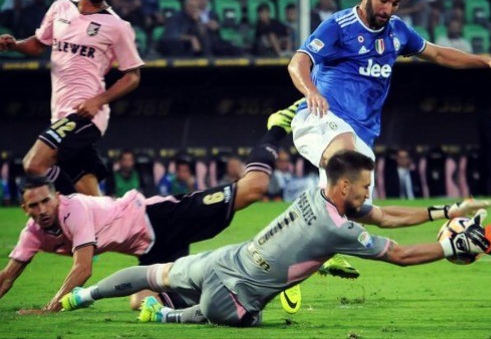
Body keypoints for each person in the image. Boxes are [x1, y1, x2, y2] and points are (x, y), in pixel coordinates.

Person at [268, 0, 491, 278]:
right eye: (383, 0)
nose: (388, 9)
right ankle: (313, 244)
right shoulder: (338, 25)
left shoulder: (398, 31)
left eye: (395, 3)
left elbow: (439, 54)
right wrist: (311, 92)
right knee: (346, 158)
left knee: (357, 209)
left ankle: (305, 258)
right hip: (321, 117)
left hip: (362, 134)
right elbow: (298, 62)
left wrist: (488, 62)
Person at [60, 150, 491, 327]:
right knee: (251, 319)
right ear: (345, 187)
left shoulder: (317, 196)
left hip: (221, 260)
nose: (369, 194)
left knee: (154, 274)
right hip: (233, 300)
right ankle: (170, 318)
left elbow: (386, 217)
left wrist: (446, 212)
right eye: (365, 187)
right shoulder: (338, 229)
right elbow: (402, 255)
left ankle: (81, 297)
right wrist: (452, 245)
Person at [0, 126, 287, 314]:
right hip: (150, 248)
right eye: (34, 205)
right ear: (25, 209)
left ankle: (275, 129)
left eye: (46, 201)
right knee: (142, 302)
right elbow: (8, 276)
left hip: (161, 217)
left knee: (253, 189)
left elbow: (83, 268)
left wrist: (51, 308)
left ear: (57, 197)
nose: (42, 209)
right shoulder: (33, 233)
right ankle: (247, 285)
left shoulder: (72, 208)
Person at [0, 0, 143, 197]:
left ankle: (63, 208)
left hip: (86, 114)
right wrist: (15, 45)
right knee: (90, 196)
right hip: (60, 113)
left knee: (34, 164)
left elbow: (133, 76)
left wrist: (97, 101)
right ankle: (114, 218)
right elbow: (39, 44)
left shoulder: (117, 26)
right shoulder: (60, 8)